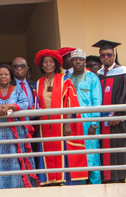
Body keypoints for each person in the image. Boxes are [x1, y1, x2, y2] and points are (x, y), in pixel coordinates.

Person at [34, 49, 87, 185]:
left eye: (51, 62)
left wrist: (67, 123)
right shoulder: (38, 83)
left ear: (56, 64)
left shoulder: (64, 81)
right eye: (45, 62)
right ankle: (50, 179)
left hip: (61, 122)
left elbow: (71, 103)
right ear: (41, 65)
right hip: (45, 124)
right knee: (47, 150)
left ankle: (63, 179)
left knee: (63, 150)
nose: (48, 64)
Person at [0, 63, 38, 189]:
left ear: (11, 76)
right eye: (0, 74)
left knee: (16, 160)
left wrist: (11, 106)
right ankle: (0, 188)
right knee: (0, 160)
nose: (3, 76)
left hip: (16, 133)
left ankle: (19, 188)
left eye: (6, 74)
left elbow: (25, 104)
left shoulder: (18, 90)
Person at [92, 40, 126, 183]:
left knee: (116, 146)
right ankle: (103, 179)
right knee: (101, 148)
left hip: (116, 122)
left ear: (114, 55)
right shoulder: (97, 75)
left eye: (109, 55)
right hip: (100, 121)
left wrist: (118, 114)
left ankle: (118, 179)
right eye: (103, 55)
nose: (106, 58)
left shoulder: (123, 73)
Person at [68, 48, 102, 184]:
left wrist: (94, 124)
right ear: (71, 62)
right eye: (75, 59)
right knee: (77, 156)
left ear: (85, 61)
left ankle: (95, 186)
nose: (78, 62)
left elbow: (97, 102)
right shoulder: (68, 79)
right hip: (73, 123)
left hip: (89, 123)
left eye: (80, 59)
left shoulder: (92, 78)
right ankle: (79, 186)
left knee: (92, 156)